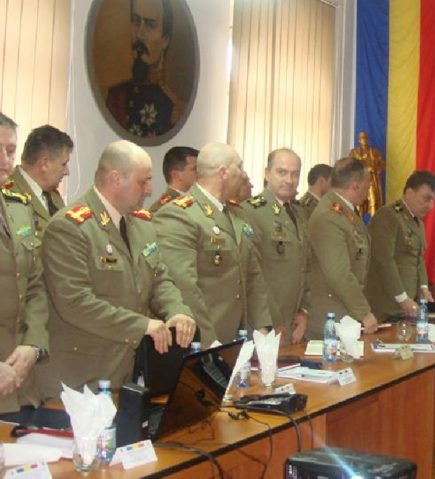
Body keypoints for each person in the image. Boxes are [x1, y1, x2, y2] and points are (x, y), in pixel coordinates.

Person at [38, 140, 195, 398]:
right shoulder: (70, 227)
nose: (149, 190)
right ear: (115, 179)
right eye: (142, 182)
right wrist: (143, 325)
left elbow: (160, 279)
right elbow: (75, 302)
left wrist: (177, 311)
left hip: (129, 372)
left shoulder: (141, 224)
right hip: (82, 377)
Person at [153, 142, 272, 345]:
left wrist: (262, 326)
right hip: (200, 340)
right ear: (223, 172)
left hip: (237, 337)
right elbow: (185, 287)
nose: (244, 175)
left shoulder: (237, 214)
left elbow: (252, 275)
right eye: (240, 167)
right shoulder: (180, 215)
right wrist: (209, 342)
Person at [0, 118, 48, 415]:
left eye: (10, 150)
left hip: (18, 374)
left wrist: (34, 345)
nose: (5, 160)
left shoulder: (18, 207)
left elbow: (34, 284)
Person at [236, 149, 308, 343]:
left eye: (295, 174)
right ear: (267, 173)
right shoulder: (251, 212)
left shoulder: (297, 212)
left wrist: (303, 310)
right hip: (265, 322)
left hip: (291, 320)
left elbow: (303, 267)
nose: (289, 180)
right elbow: (253, 273)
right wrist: (271, 320)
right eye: (282, 172)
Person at [306, 157, 378, 339]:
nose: (368, 191)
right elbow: (339, 273)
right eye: (367, 185)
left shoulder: (344, 211)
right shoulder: (329, 216)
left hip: (345, 313)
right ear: (355, 185)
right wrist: (364, 312)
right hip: (332, 317)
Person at [366, 171, 435, 321]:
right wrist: (402, 298)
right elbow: (384, 261)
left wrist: (424, 288)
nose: (431, 206)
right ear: (410, 193)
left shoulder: (417, 222)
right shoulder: (388, 216)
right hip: (387, 307)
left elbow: (419, 260)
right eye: (427, 199)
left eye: (433, 200)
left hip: (407, 306)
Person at [106, 0, 183, 137]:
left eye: (150, 25)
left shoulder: (175, 108)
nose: (140, 34)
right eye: (135, 21)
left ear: (165, 40)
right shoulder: (116, 98)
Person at [5, 125, 73, 237]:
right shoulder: (7, 195)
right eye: (63, 164)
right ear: (44, 163)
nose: (67, 172)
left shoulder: (54, 198)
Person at [148, 146, 198, 213]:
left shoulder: (195, 199)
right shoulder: (163, 209)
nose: (200, 172)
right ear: (176, 175)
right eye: (194, 169)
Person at [348, 132, 385, 218]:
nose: (364, 140)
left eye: (365, 138)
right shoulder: (354, 153)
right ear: (359, 140)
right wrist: (364, 168)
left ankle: (374, 225)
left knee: (374, 202)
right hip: (359, 182)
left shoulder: (374, 152)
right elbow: (349, 166)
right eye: (362, 138)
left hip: (372, 181)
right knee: (358, 204)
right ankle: (357, 224)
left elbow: (382, 164)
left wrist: (375, 168)